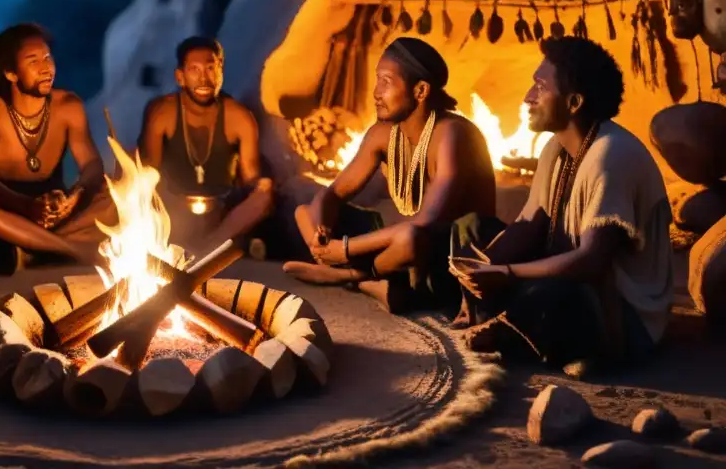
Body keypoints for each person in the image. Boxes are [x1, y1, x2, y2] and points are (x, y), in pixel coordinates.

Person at [449, 37, 673, 372]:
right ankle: (512, 323)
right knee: (469, 229)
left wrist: (506, 274)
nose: (528, 97)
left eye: (540, 87)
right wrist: (480, 269)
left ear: (574, 102)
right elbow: (530, 224)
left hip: (620, 316)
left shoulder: (611, 155)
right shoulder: (555, 148)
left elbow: (590, 263)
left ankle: (527, 330)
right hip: (568, 279)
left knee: (554, 297)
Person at [283, 37, 499, 315]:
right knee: (305, 211)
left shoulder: (452, 134)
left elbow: (424, 223)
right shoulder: (383, 134)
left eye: (386, 81)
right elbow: (332, 194)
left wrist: (345, 251)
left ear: (420, 90)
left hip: (454, 257)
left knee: (408, 238)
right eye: (377, 80)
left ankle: (354, 278)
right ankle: (376, 280)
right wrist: (322, 234)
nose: (376, 92)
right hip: (407, 247)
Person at [0, 23, 115, 274]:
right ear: (11, 73)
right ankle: (75, 251)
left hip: (56, 211)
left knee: (114, 192)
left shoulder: (68, 105)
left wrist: (75, 195)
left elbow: (91, 165)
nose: (46, 68)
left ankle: (35, 251)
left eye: (48, 57)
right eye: (33, 61)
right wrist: (27, 206)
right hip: (10, 209)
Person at [137, 36, 273, 255]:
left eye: (211, 69)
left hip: (221, 211)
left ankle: (207, 248)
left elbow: (250, 179)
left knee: (264, 195)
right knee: (132, 180)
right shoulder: (162, 112)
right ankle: (217, 247)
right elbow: (148, 169)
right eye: (194, 70)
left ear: (221, 72)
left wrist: (261, 184)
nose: (204, 79)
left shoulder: (239, 117)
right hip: (172, 210)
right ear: (180, 77)